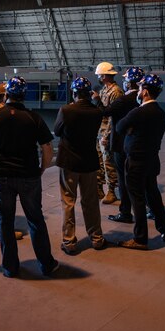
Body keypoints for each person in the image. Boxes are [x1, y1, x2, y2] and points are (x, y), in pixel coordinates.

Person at [0, 77, 59, 278]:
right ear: (24, 95)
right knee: (35, 219)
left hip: (1, 176)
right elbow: (47, 148)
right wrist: (42, 168)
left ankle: (10, 268)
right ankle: (46, 265)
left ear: (6, 94)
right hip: (28, 175)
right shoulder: (33, 118)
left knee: (5, 221)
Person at [115, 74, 165, 250]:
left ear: (145, 91)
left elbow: (119, 128)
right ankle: (164, 230)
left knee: (137, 199)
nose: (138, 91)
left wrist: (131, 131)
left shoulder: (138, 112)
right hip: (152, 160)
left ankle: (140, 239)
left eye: (140, 88)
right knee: (153, 196)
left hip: (136, 163)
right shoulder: (160, 112)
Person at [54, 77, 106, 255]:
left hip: (69, 162)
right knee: (90, 201)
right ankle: (97, 237)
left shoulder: (66, 110)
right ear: (89, 93)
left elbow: (57, 131)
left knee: (68, 201)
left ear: (74, 93)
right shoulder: (97, 112)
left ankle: (69, 242)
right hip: (89, 162)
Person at [98, 67, 144, 224]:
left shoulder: (122, 98)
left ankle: (125, 212)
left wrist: (96, 100)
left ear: (130, 83)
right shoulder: (141, 100)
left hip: (120, 143)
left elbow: (107, 113)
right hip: (135, 143)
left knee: (123, 178)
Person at [0, 82, 21, 240]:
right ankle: (4, 231)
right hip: (1, 157)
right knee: (5, 195)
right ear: (5, 95)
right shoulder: (4, 112)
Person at [92, 61, 124, 203]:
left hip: (107, 133)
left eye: (99, 75)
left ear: (104, 76)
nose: (98, 77)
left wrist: (106, 135)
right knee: (99, 160)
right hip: (100, 130)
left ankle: (111, 191)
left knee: (108, 162)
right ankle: (99, 189)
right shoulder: (104, 89)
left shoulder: (116, 91)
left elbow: (113, 115)